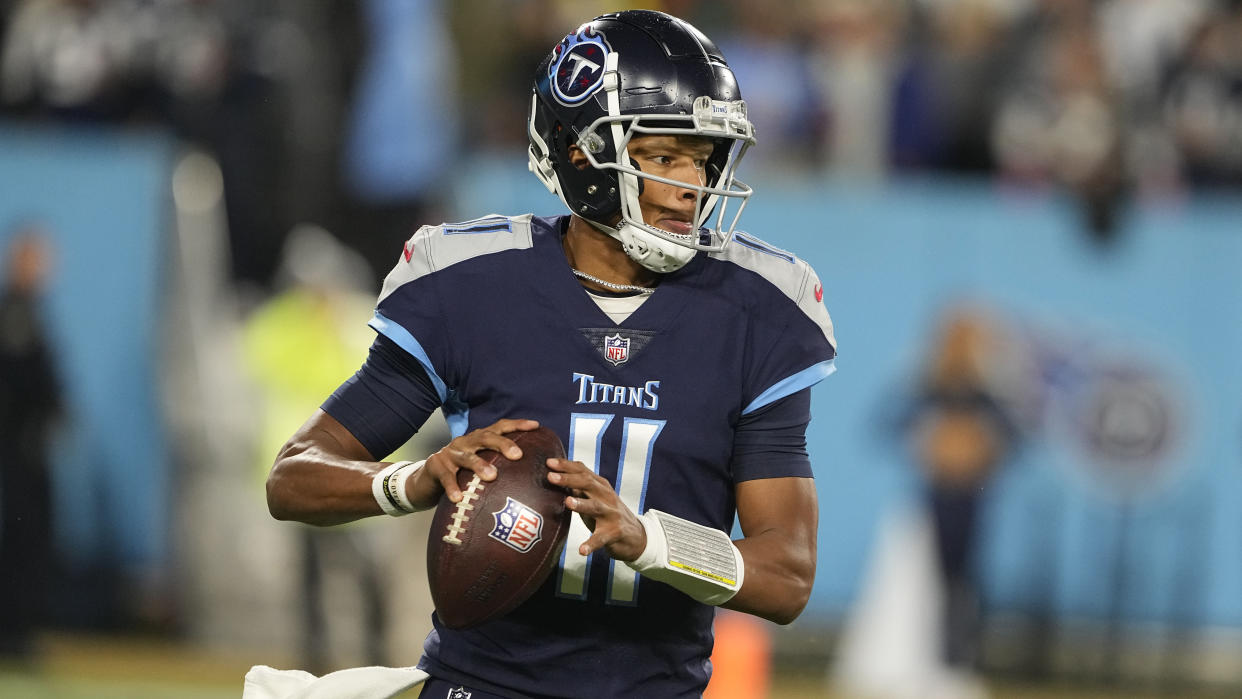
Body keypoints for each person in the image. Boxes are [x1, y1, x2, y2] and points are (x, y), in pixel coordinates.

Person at [264, 10, 837, 698]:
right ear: (580, 153)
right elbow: (294, 477)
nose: (691, 183)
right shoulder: (469, 283)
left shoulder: (758, 308)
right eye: (662, 155)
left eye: (703, 156)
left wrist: (652, 541)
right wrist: (411, 481)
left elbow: (789, 572)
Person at [0, 227, 62, 659]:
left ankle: (20, 631)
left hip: (27, 449)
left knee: (30, 540)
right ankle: (13, 633)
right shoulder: (15, 313)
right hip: (15, 451)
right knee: (17, 540)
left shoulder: (31, 311)